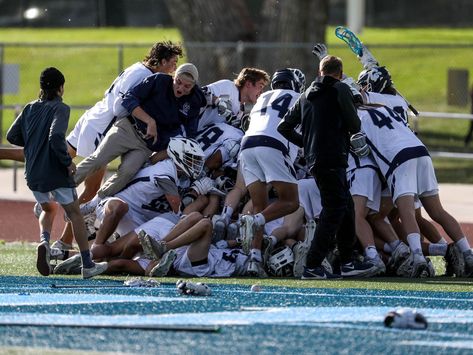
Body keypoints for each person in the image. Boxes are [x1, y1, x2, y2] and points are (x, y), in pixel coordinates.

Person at [278, 55, 378, 279]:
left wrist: (306, 143)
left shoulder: (305, 95)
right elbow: (355, 124)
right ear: (340, 73)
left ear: (320, 71)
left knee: (346, 208)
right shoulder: (340, 88)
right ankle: (312, 265)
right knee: (334, 211)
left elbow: (283, 127)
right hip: (333, 157)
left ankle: (347, 261)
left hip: (316, 159)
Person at [6, 67, 107, 279]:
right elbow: (55, 137)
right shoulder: (61, 108)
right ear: (61, 88)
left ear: (41, 87)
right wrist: (66, 162)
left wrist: (34, 143)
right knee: (74, 214)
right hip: (55, 171)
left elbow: (12, 136)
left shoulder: (29, 108)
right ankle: (87, 265)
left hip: (33, 174)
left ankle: (44, 241)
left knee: (47, 208)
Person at [74, 63, 206, 214]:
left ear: (194, 86)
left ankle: (95, 203)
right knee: (98, 159)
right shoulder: (159, 81)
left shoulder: (194, 100)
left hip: (147, 146)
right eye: (178, 82)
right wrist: (150, 121)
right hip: (128, 129)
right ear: (173, 76)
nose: (181, 88)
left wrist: (163, 148)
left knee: (127, 172)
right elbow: (129, 99)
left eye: (187, 86)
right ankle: (63, 187)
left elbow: (188, 135)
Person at [238, 68, 305, 277]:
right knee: (291, 202)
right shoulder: (299, 97)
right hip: (273, 145)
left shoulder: (263, 97)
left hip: (247, 145)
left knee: (260, 205)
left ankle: (254, 259)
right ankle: (254, 221)